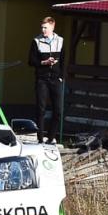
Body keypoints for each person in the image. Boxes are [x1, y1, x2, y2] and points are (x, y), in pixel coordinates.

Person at [28, 16, 64, 144]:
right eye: (42, 27)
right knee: (41, 109)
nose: (43, 30)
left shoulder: (60, 41)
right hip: (42, 79)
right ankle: (40, 138)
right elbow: (31, 61)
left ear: (52, 27)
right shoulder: (36, 41)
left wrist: (61, 77)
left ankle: (51, 137)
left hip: (55, 79)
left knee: (58, 110)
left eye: (45, 28)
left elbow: (64, 61)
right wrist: (44, 62)